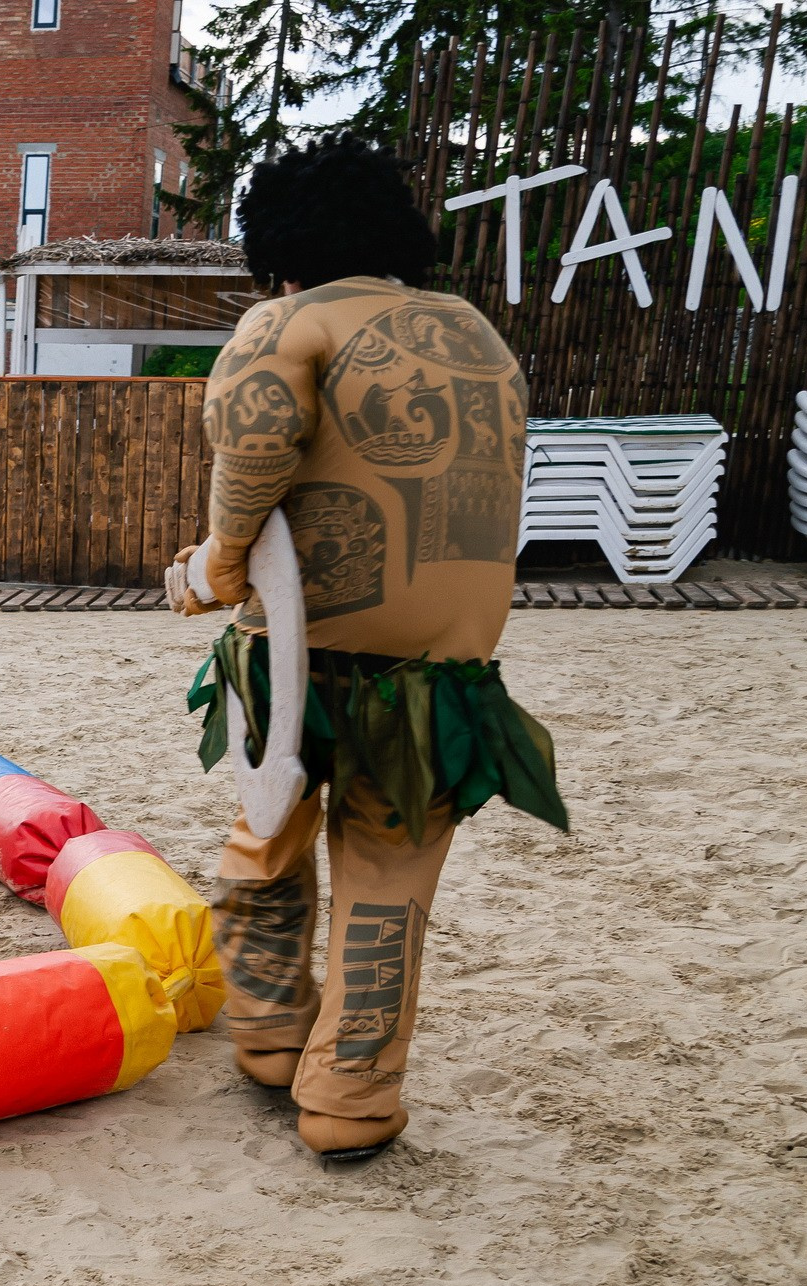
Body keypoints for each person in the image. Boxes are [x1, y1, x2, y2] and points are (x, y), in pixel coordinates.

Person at [168, 134, 567, 1161]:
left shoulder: (286, 322)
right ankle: (349, 1098)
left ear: (280, 248)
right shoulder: (481, 336)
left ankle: (265, 1032)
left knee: (268, 829)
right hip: (443, 676)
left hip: (300, 657)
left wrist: (213, 566)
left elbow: (252, 458)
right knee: (391, 877)